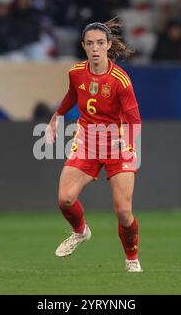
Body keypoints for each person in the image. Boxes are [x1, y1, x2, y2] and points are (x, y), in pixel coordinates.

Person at [45, 18, 143, 272]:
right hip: (86, 142)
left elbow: (134, 120)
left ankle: (132, 260)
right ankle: (80, 232)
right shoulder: (76, 72)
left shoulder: (120, 81)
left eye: (100, 43)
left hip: (116, 145)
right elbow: (72, 95)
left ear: (109, 45)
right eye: (90, 44)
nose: (95, 48)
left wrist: (131, 150)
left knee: (123, 212)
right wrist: (57, 116)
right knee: (65, 199)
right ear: (83, 46)